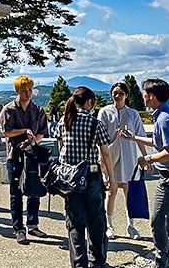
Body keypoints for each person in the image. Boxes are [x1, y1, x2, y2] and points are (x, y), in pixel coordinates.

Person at [120, 78, 169, 268]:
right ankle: (163, 263)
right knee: (157, 222)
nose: (142, 96)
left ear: (151, 96)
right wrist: (134, 137)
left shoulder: (164, 119)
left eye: (143, 92)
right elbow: (160, 144)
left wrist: (148, 159)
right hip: (168, 177)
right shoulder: (163, 115)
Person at [55, 87, 114, 268]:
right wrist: (111, 177)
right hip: (90, 175)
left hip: (69, 178)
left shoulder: (64, 121)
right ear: (89, 102)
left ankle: (79, 264)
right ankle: (98, 262)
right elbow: (105, 152)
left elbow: (60, 148)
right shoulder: (94, 123)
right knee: (96, 221)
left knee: (74, 222)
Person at [1, 75, 49, 245]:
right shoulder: (9, 109)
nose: (28, 93)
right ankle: (18, 228)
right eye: (24, 91)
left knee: (34, 190)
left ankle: (33, 224)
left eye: (30, 90)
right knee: (16, 192)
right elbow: (7, 132)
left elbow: (42, 131)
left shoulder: (38, 110)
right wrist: (24, 131)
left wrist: (34, 141)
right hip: (14, 155)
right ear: (17, 91)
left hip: (32, 156)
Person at [98, 82, 149, 240]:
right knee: (111, 191)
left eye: (121, 93)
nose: (117, 96)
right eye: (115, 93)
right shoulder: (105, 112)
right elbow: (99, 137)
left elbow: (140, 136)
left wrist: (145, 157)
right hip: (110, 157)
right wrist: (100, 158)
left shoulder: (133, 114)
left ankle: (130, 226)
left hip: (129, 158)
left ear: (127, 95)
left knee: (129, 192)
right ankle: (109, 226)